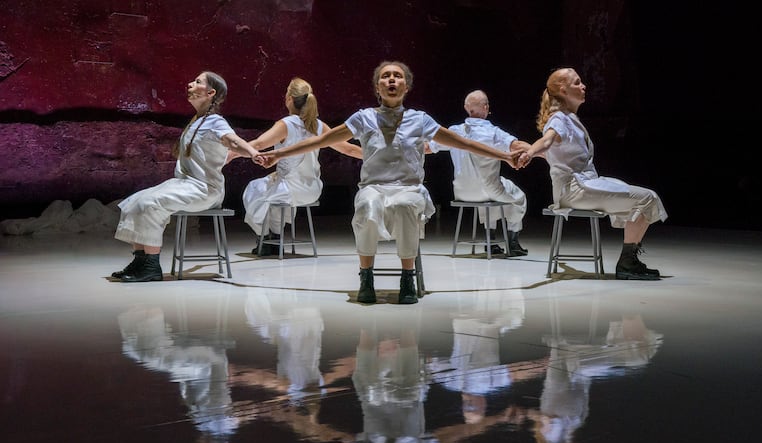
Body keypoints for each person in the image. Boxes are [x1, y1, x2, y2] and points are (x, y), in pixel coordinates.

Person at [260, 61, 523, 304]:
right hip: (373, 187)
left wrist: (505, 156)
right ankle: (366, 276)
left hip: (409, 187)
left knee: (405, 206)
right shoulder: (363, 117)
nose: (392, 80)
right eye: (386, 76)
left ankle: (407, 278)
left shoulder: (420, 120)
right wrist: (279, 154)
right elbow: (320, 140)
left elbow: (464, 143)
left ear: (406, 87)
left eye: (397, 76)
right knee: (367, 205)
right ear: (378, 87)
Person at [112, 71, 265, 282]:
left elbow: (233, 141)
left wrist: (252, 153)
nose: (190, 83)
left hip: (204, 189)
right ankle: (140, 261)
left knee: (149, 204)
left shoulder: (215, 121)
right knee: (135, 201)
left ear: (210, 93)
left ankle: (151, 266)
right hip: (184, 184)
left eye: (198, 82)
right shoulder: (196, 121)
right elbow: (224, 152)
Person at [521, 67, 668, 280]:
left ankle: (629, 260)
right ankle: (627, 263)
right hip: (575, 189)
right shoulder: (559, 119)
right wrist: (530, 152)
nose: (583, 86)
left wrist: (532, 153)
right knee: (646, 198)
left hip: (582, 185)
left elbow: (554, 155)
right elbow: (546, 141)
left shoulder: (569, 118)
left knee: (644, 197)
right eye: (577, 82)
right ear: (563, 90)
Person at [233, 77, 363, 256]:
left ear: (289, 99)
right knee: (267, 190)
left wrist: (230, 154)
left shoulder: (286, 124)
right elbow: (348, 149)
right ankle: (272, 238)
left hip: (289, 188)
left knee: (254, 190)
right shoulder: (319, 126)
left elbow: (258, 144)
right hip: (312, 189)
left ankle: (267, 237)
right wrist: (377, 156)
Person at [428, 89, 530, 256]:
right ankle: (513, 241)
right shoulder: (493, 132)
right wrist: (540, 152)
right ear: (486, 107)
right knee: (518, 197)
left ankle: (491, 240)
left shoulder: (454, 132)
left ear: (466, 108)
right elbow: (517, 146)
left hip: (461, 192)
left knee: (490, 193)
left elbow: (428, 148)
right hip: (490, 190)